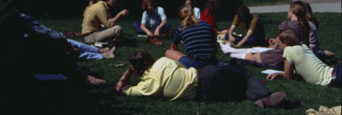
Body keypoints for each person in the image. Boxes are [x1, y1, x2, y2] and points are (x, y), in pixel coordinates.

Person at [115, 49, 299, 108]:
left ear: (138, 70)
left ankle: (261, 100)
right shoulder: (163, 61)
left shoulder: (144, 88)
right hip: (205, 75)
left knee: (237, 90)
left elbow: (119, 89)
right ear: (150, 59)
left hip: (204, 96)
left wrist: (128, 73)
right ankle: (264, 96)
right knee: (243, 74)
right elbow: (188, 66)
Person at [1, 12, 106, 85]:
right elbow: (108, 23)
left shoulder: (11, 15)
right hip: (11, 58)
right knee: (55, 42)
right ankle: (84, 73)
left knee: (62, 42)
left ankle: (100, 52)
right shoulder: (13, 15)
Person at [220, 1, 312, 68]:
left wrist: (273, 45)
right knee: (256, 51)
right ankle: (230, 50)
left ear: (293, 12)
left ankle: (230, 51)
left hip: (279, 57)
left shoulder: (285, 25)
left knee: (251, 56)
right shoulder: (304, 26)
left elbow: (278, 44)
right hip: (295, 56)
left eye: (289, 10)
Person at [266, 29, 341, 87]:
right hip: (334, 71)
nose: (279, 47)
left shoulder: (287, 50)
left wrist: (278, 74)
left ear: (285, 44)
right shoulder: (303, 46)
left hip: (331, 79)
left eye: (279, 45)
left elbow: (288, 76)